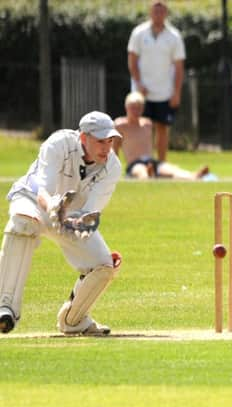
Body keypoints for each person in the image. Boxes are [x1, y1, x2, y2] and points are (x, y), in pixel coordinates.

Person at [0, 111, 123, 335]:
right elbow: (43, 189)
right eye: (100, 141)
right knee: (24, 222)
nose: (106, 147)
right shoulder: (59, 143)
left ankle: (74, 320)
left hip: (71, 216)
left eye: (110, 141)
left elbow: (91, 211)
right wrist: (53, 207)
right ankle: (5, 306)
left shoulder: (112, 167)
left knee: (104, 265)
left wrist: (77, 221)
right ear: (84, 138)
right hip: (34, 201)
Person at [127, 0, 186, 163]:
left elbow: (179, 67)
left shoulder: (174, 36)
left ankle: (160, 166)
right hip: (142, 93)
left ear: (166, 13)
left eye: (161, 11)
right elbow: (132, 60)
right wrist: (138, 84)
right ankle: (141, 164)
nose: (158, 15)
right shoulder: (139, 33)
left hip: (164, 92)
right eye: (155, 11)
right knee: (142, 129)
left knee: (162, 128)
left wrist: (176, 92)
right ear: (150, 12)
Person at [114, 92, 209, 180]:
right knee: (140, 171)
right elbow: (115, 150)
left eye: (139, 108)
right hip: (134, 163)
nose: (136, 111)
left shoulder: (147, 124)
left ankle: (193, 176)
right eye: (133, 108)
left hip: (151, 161)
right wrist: (115, 170)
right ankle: (147, 175)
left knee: (172, 170)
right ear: (126, 108)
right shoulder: (120, 125)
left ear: (142, 109)